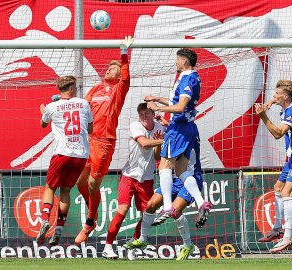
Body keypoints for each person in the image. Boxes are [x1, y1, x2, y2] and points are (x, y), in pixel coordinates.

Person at [75, 36, 134, 244]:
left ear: (119, 75)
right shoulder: (98, 87)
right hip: (87, 140)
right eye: (108, 68)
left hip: (104, 142)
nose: (109, 70)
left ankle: (90, 221)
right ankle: (94, 211)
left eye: (113, 68)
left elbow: (126, 78)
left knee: (92, 183)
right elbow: (84, 105)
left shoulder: (119, 89)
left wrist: (123, 55)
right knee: (79, 183)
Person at [144, 48, 211, 228]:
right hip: (188, 127)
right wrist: (157, 99)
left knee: (164, 165)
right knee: (181, 170)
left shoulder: (187, 78)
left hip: (179, 127)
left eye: (178, 59)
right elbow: (178, 102)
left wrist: (156, 108)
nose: (176, 62)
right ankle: (201, 203)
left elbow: (180, 107)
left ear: (184, 61)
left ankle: (167, 207)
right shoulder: (193, 76)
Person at [102, 103, 165, 259]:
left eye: (147, 113)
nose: (144, 116)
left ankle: (133, 243)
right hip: (129, 175)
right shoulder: (135, 125)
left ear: (153, 114)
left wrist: (162, 137)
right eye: (141, 114)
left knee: (148, 214)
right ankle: (108, 246)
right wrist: (163, 140)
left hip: (147, 178)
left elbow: (157, 157)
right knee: (122, 210)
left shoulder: (160, 128)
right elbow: (143, 143)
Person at [124, 136, 203, 260]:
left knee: (175, 210)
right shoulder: (171, 135)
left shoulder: (189, 133)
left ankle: (188, 245)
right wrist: (160, 143)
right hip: (172, 181)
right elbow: (158, 157)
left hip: (189, 180)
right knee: (151, 205)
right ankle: (143, 239)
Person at [37, 76, 93, 246]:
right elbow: (90, 129)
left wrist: (43, 111)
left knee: (50, 187)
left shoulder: (52, 107)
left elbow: (43, 124)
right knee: (66, 190)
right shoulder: (84, 104)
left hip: (62, 153)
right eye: (75, 87)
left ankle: (45, 219)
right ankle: (59, 229)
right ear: (71, 88)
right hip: (80, 155)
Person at [254, 80, 292, 252]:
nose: (274, 96)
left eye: (277, 94)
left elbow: (278, 134)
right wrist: (270, 102)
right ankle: (277, 228)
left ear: (285, 96)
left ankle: (287, 238)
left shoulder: (290, 112)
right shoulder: (284, 105)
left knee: (286, 192)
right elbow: (275, 99)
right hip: (290, 158)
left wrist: (263, 116)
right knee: (278, 188)